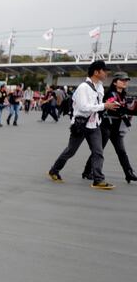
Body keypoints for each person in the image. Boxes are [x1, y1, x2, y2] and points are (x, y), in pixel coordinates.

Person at [48, 60, 119, 190]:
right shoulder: (83, 87)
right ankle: (54, 170)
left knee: (98, 152)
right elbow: (83, 107)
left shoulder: (100, 86)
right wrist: (104, 105)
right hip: (80, 125)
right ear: (96, 72)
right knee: (70, 151)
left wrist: (107, 104)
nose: (106, 73)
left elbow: (97, 104)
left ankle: (98, 180)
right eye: (104, 70)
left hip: (94, 125)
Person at [82, 72, 136, 183]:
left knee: (121, 151)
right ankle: (87, 171)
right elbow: (116, 108)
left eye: (126, 80)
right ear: (115, 82)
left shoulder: (124, 95)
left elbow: (125, 109)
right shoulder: (110, 94)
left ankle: (129, 173)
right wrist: (130, 109)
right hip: (105, 127)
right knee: (98, 151)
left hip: (117, 128)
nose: (125, 82)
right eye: (122, 80)